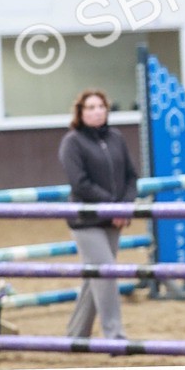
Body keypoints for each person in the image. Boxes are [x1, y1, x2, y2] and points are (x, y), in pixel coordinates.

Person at [58, 89, 138, 339]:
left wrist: (125, 205)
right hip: (87, 220)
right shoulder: (72, 142)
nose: (96, 111)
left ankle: (75, 334)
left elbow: (131, 177)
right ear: (80, 113)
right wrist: (113, 206)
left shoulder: (116, 137)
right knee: (105, 274)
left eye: (100, 106)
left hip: (114, 219)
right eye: (90, 107)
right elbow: (80, 183)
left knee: (96, 276)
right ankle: (114, 335)